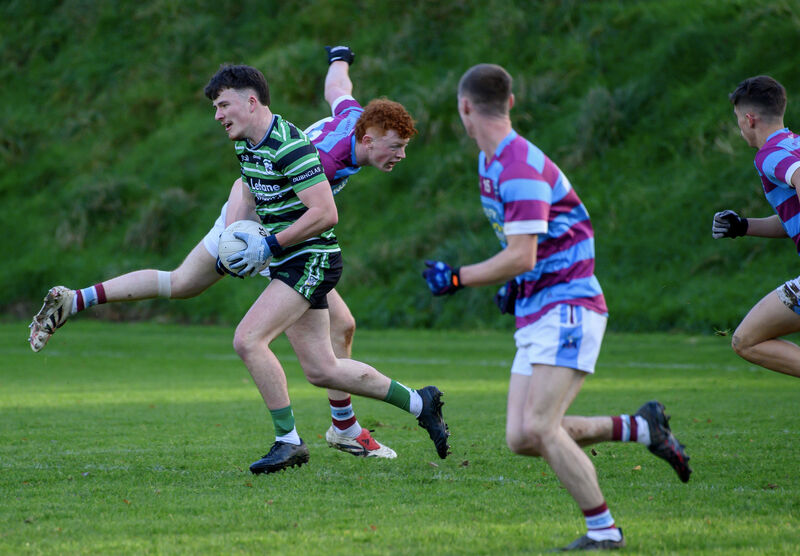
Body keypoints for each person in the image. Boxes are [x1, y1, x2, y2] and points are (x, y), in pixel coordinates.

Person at [28, 46, 433, 463]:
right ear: (369, 139)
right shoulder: (323, 161)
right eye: (396, 147)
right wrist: (247, 240)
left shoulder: (354, 116)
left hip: (260, 224)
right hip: (266, 228)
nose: (400, 155)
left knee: (183, 284)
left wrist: (339, 57)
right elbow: (268, 194)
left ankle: (77, 299)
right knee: (300, 344)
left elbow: (338, 87)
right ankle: (334, 431)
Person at [422, 64, 691, 551]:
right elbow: (526, 252)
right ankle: (641, 427)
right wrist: (516, 282)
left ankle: (604, 531)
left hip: (569, 306)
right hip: (541, 306)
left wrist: (460, 277)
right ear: (511, 101)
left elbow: (521, 253)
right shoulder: (490, 163)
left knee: (541, 426)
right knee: (522, 437)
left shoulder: (518, 165)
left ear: (465, 107)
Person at [712, 75, 800, 379]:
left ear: (750, 119)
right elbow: (791, 221)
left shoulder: (769, 154)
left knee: (746, 340)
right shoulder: (795, 143)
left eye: (738, 120)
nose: (739, 128)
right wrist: (742, 226)